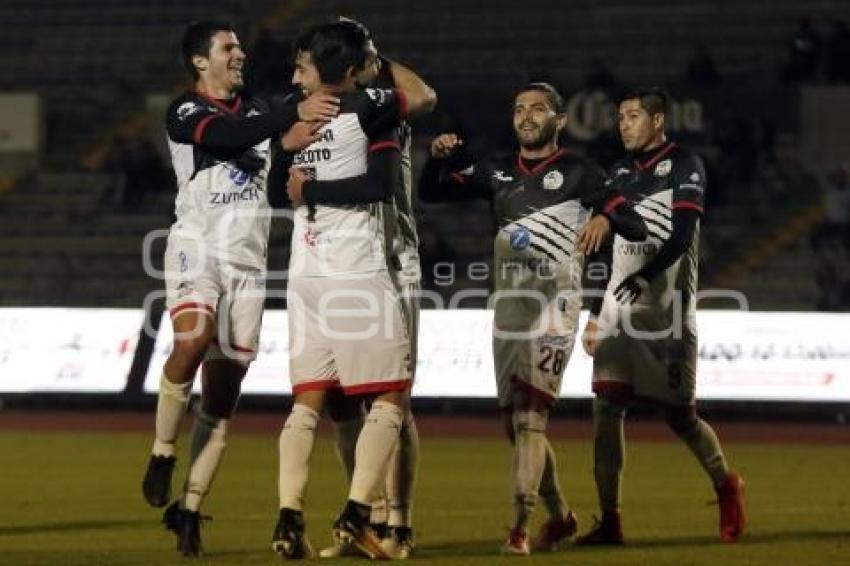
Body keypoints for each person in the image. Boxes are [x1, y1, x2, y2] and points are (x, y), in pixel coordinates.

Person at [419, 83, 646, 556]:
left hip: (555, 307)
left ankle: (519, 527)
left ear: (559, 121)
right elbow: (432, 192)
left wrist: (605, 217)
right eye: (519, 108)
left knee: (529, 420)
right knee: (513, 422)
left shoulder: (581, 172)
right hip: (508, 306)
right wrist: (437, 156)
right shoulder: (497, 169)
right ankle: (560, 516)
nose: (526, 116)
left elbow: (635, 225)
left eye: (538, 109)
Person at [140, 19, 338, 557]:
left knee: (223, 399)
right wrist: (285, 120)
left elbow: (271, 178)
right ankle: (162, 450)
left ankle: (190, 505)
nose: (240, 53)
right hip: (196, 247)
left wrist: (294, 148)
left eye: (240, 46)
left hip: (249, 264)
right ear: (201, 62)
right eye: (228, 47)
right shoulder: (184, 109)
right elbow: (224, 138)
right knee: (191, 340)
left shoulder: (259, 111)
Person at [267, 21, 436, 560]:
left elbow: (279, 190)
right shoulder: (372, 109)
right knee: (392, 397)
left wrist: (291, 152)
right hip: (360, 269)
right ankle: (361, 515)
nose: (295, 77)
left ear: (329, 70)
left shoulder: (297, 117)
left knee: (309, 402)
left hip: (306, 273)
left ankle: (291, 518)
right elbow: (381, 179)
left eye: (303, 66)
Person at [577, 87, 746, 545]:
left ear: (657, 121)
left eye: (633, 116)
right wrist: (594, 311)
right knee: (606, 408)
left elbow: (682, 234)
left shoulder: (686, 165)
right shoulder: (617, 173)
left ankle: (726, 485)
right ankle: (609, 519)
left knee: (681, 418)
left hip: (666, 313)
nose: (624, 124)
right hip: (617, 312)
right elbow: (605, 251)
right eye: (620, 117)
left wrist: (646, 274)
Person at [310, 18, 422, 561]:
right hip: (337, 267)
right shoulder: (340, 108)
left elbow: (425, 93)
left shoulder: (385, 104)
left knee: (393, 396)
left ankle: (397, 523)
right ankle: (365, 519)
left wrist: (374, 51)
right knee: (342, 402)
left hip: (393, 260)